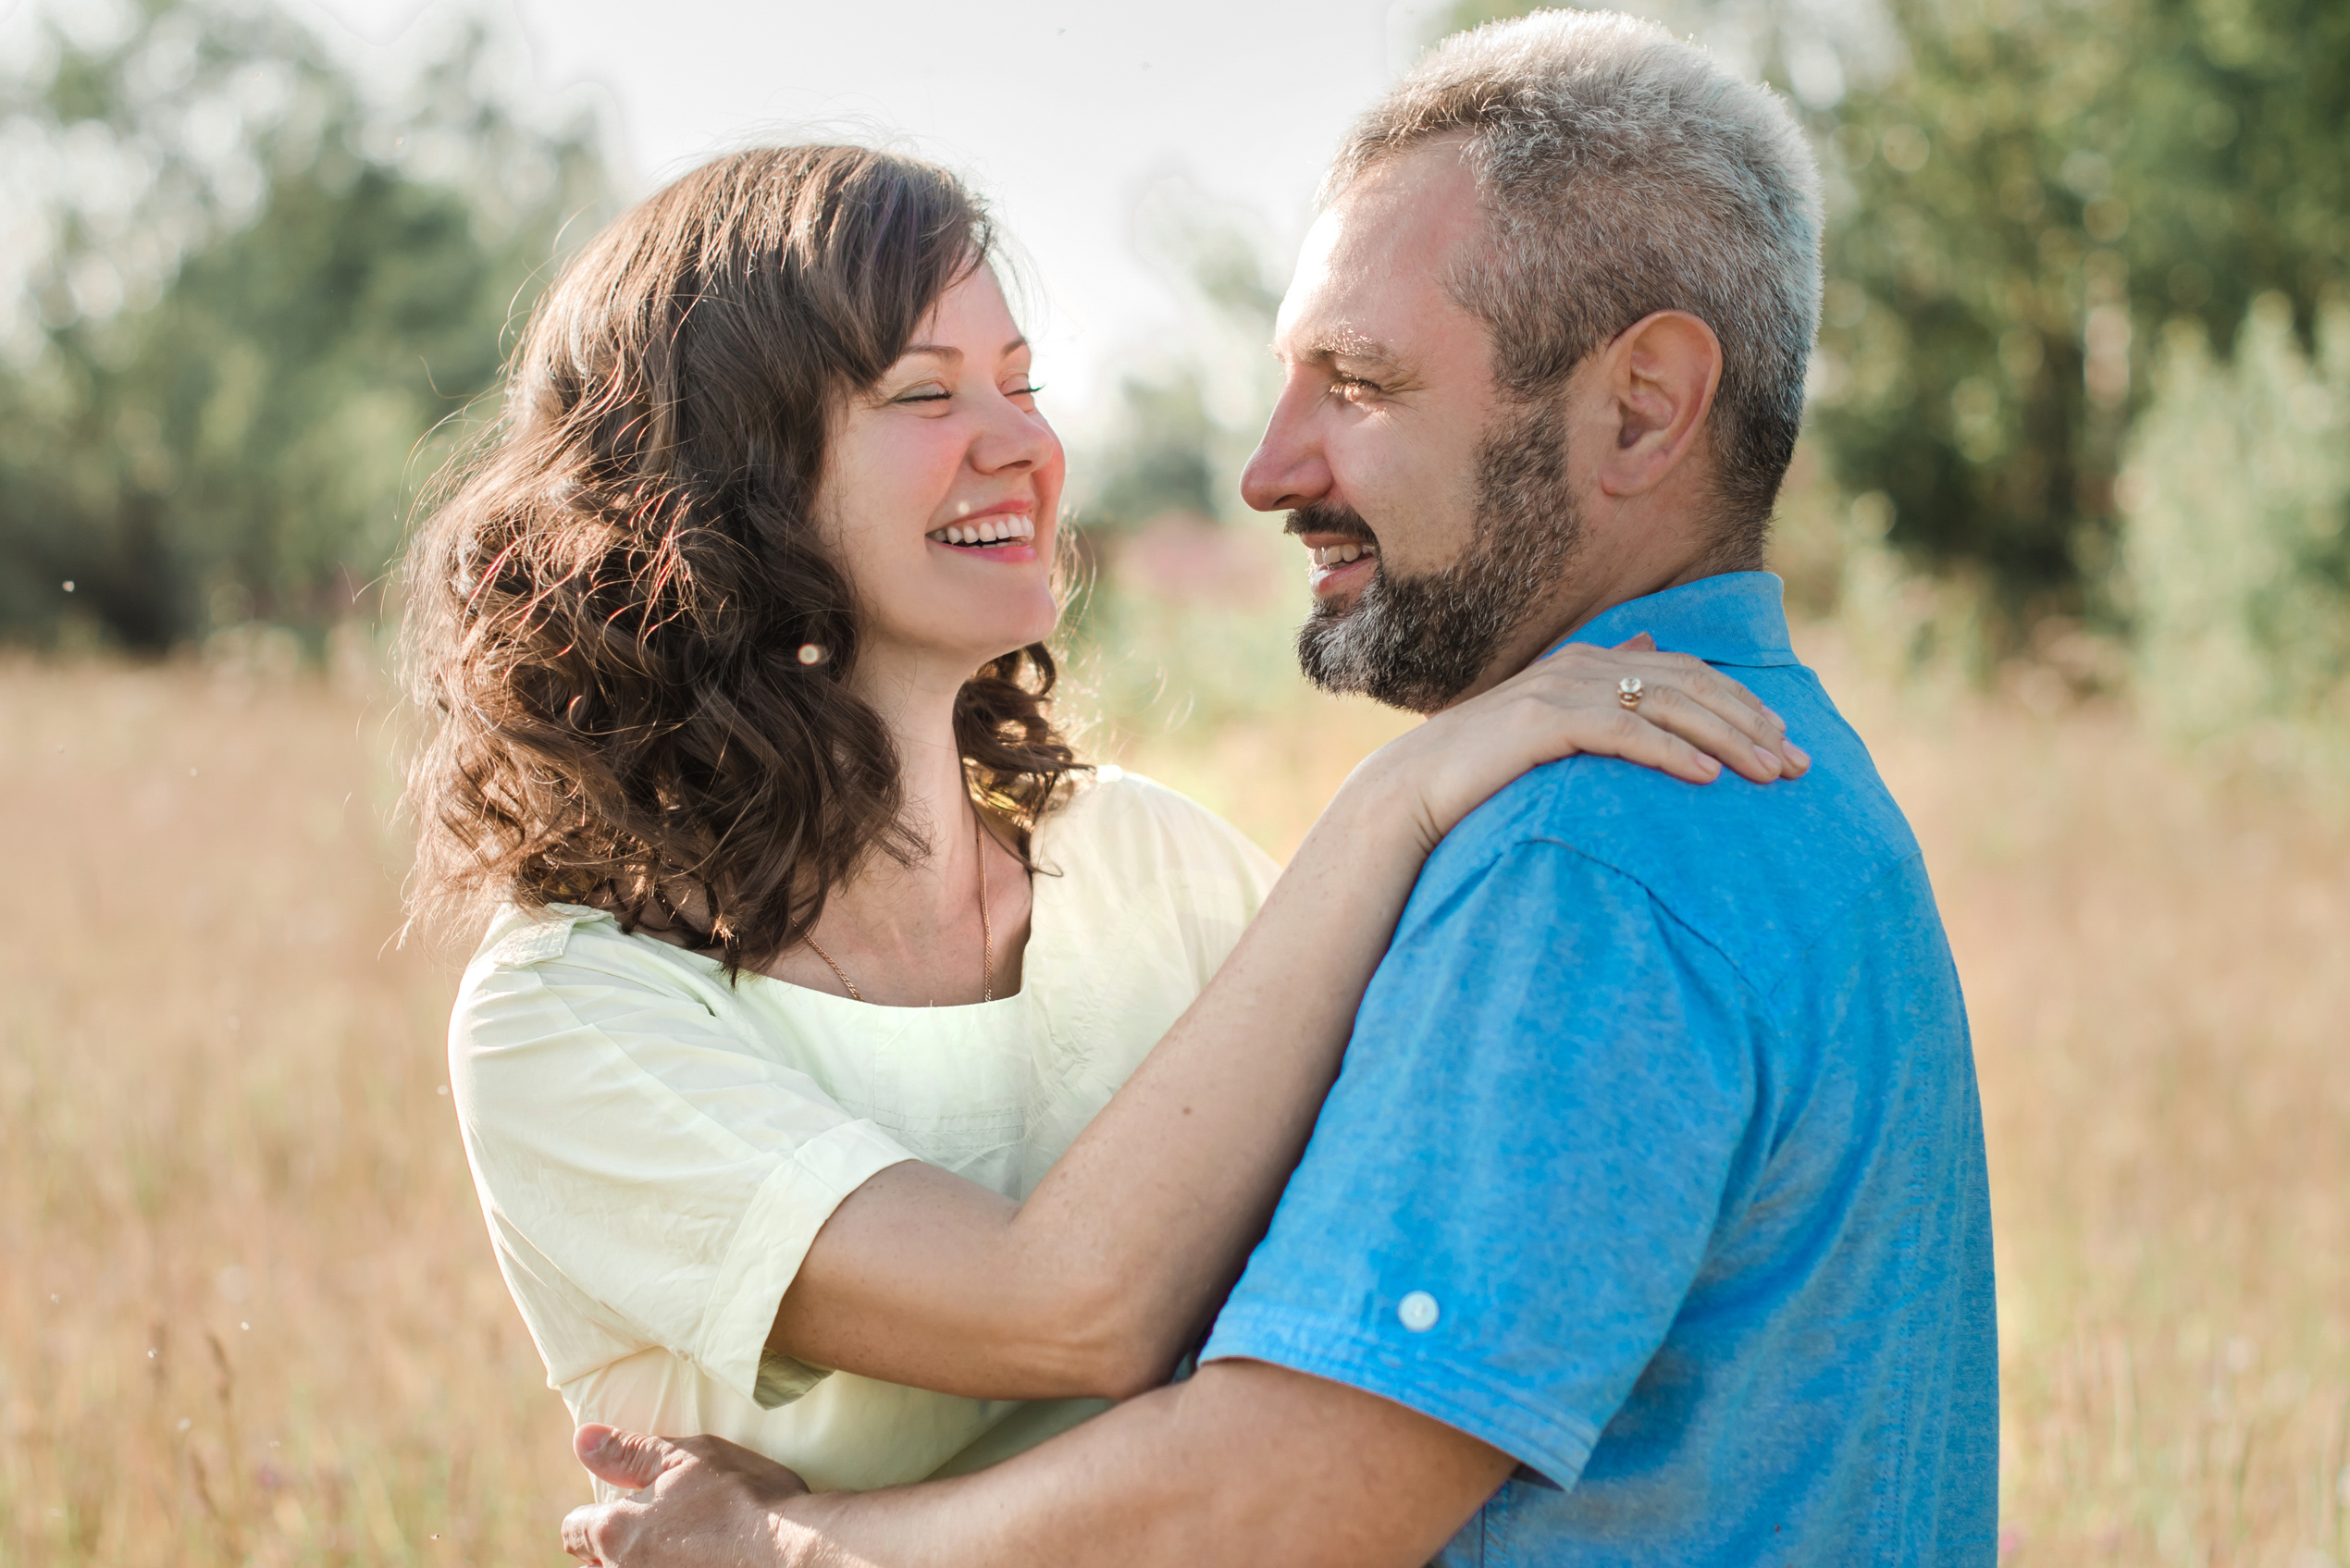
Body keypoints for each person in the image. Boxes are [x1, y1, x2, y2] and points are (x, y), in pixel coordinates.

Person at [558, 11, 1998, 1568]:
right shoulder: (1794, 788)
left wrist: (790, 1550)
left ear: (1641, 408)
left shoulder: (1584, 857)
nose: (1267, 468)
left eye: (1359, 382)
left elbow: (1285, 1497)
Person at [402, 140, 1800, 1502]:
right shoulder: (571, 1017)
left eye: (1022, 385)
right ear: (728, 479)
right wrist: (1397, 796)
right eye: (924, 393)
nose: (1021, 447)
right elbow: (1065, 1311)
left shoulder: (1151, 866)